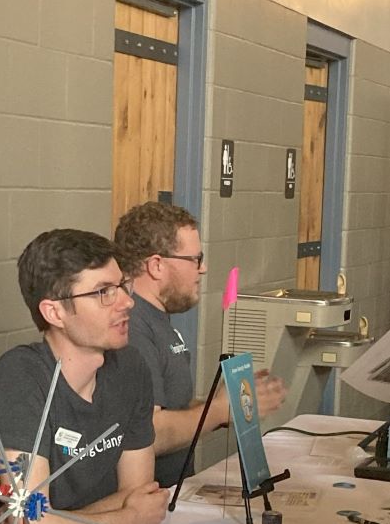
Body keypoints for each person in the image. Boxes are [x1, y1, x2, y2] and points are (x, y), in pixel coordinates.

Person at [0, 228, 169, 524]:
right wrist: (126, 519)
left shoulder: (130, 366)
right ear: (54, 312)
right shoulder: (21, 377)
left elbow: (139, 492)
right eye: (103, 293)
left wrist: (58, 522)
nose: (127, 301)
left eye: (122, 286)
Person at [113, 201, 286, 486]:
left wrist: (221, 407)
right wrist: (219, 410)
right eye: (195, 259)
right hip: (150, 501)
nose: (203, 269)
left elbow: (172, 407)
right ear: (157, 265)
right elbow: (149, 432)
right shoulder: (133, 328)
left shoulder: (158, 318)